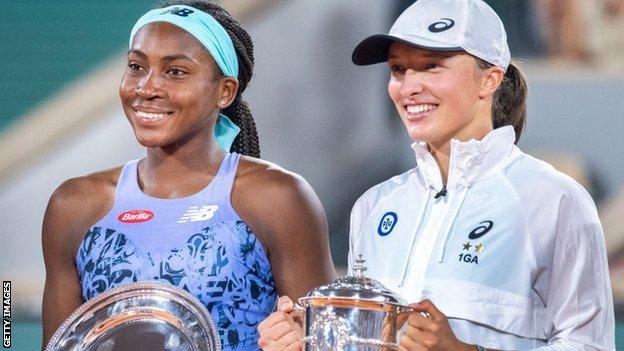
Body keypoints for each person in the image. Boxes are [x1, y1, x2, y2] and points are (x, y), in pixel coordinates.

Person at [257, 0, 615, 350]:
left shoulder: (554, 199)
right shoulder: (374, 205)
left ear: (490, 79)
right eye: (398, 69)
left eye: (431, 66)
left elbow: (589, 344)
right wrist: (311, 338)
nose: (409, 86)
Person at [41, 1, 335, 350]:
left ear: (225, 91)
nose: (146, 88)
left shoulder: (278, 197)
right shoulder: (74, 205)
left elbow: (327, 340)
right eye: (136, 66)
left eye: (175, 72)